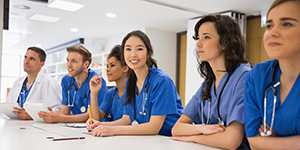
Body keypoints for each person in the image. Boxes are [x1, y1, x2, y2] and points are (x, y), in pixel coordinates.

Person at [170, 15, 251, 150]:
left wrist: (193, 138)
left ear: (225, 43)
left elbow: (231, 141)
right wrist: (203, 128)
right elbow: (177, 129)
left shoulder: (244, 76)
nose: (198, 44)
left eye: (206, 37)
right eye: (198, 38)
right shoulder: (208, 83)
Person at [86, 30, 183, 137]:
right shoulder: (130, 82)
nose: (133, 55)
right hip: (149, 139)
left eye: (139, 49)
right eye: (128, 49)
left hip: (170, 139)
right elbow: (126, 120)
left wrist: (113, 130)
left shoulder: (162, 81)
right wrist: (102, 125)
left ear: (148, 53)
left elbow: (154, 127)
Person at [244, 0, 300, 149]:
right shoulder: (258, 76)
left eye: (286, 24)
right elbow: (253, 141)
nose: (272, 33)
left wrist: (273, 141)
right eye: (269, 26)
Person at [38, 45, 107, 123]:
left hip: (96, 127)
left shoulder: (97, 81)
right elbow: (65, 111)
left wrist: (60, 118)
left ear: (86, 64)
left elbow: (91, 115)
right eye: (68, 60)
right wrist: (51, 115)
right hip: (74, 126)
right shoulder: (66, 80)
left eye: (74, 61)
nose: (69, 65)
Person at [6, 47, 62, 120]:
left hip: (39, 128)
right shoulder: (18, 82)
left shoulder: (49, 82)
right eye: (25, 57)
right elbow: (8, 105)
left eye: (32, 59)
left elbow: (58, 110)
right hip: (16, 125)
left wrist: (32, 116)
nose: (26, 61)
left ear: (42, 64)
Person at [88, 45, 128, 122]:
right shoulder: (110, 94)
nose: (107, 69)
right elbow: (96, 119)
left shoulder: (135, 92)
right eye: (107, 66)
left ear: (125, 68)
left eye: (112, 65)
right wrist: (94, 93)